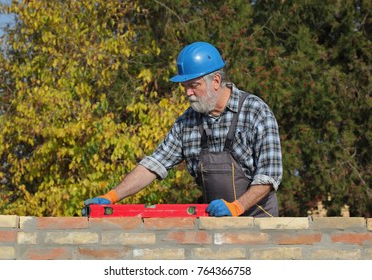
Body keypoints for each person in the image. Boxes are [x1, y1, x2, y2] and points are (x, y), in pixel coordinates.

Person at [84, 42, 282, 217]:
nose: (188, 93)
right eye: (184, 86)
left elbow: (269, 175)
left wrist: (237, 207)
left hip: (258, 224)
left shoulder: (255, 112)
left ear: (216, 81)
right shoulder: (187, 122)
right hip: (217, 228)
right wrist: (111, 196)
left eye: (194, 85)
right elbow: (154, 164)